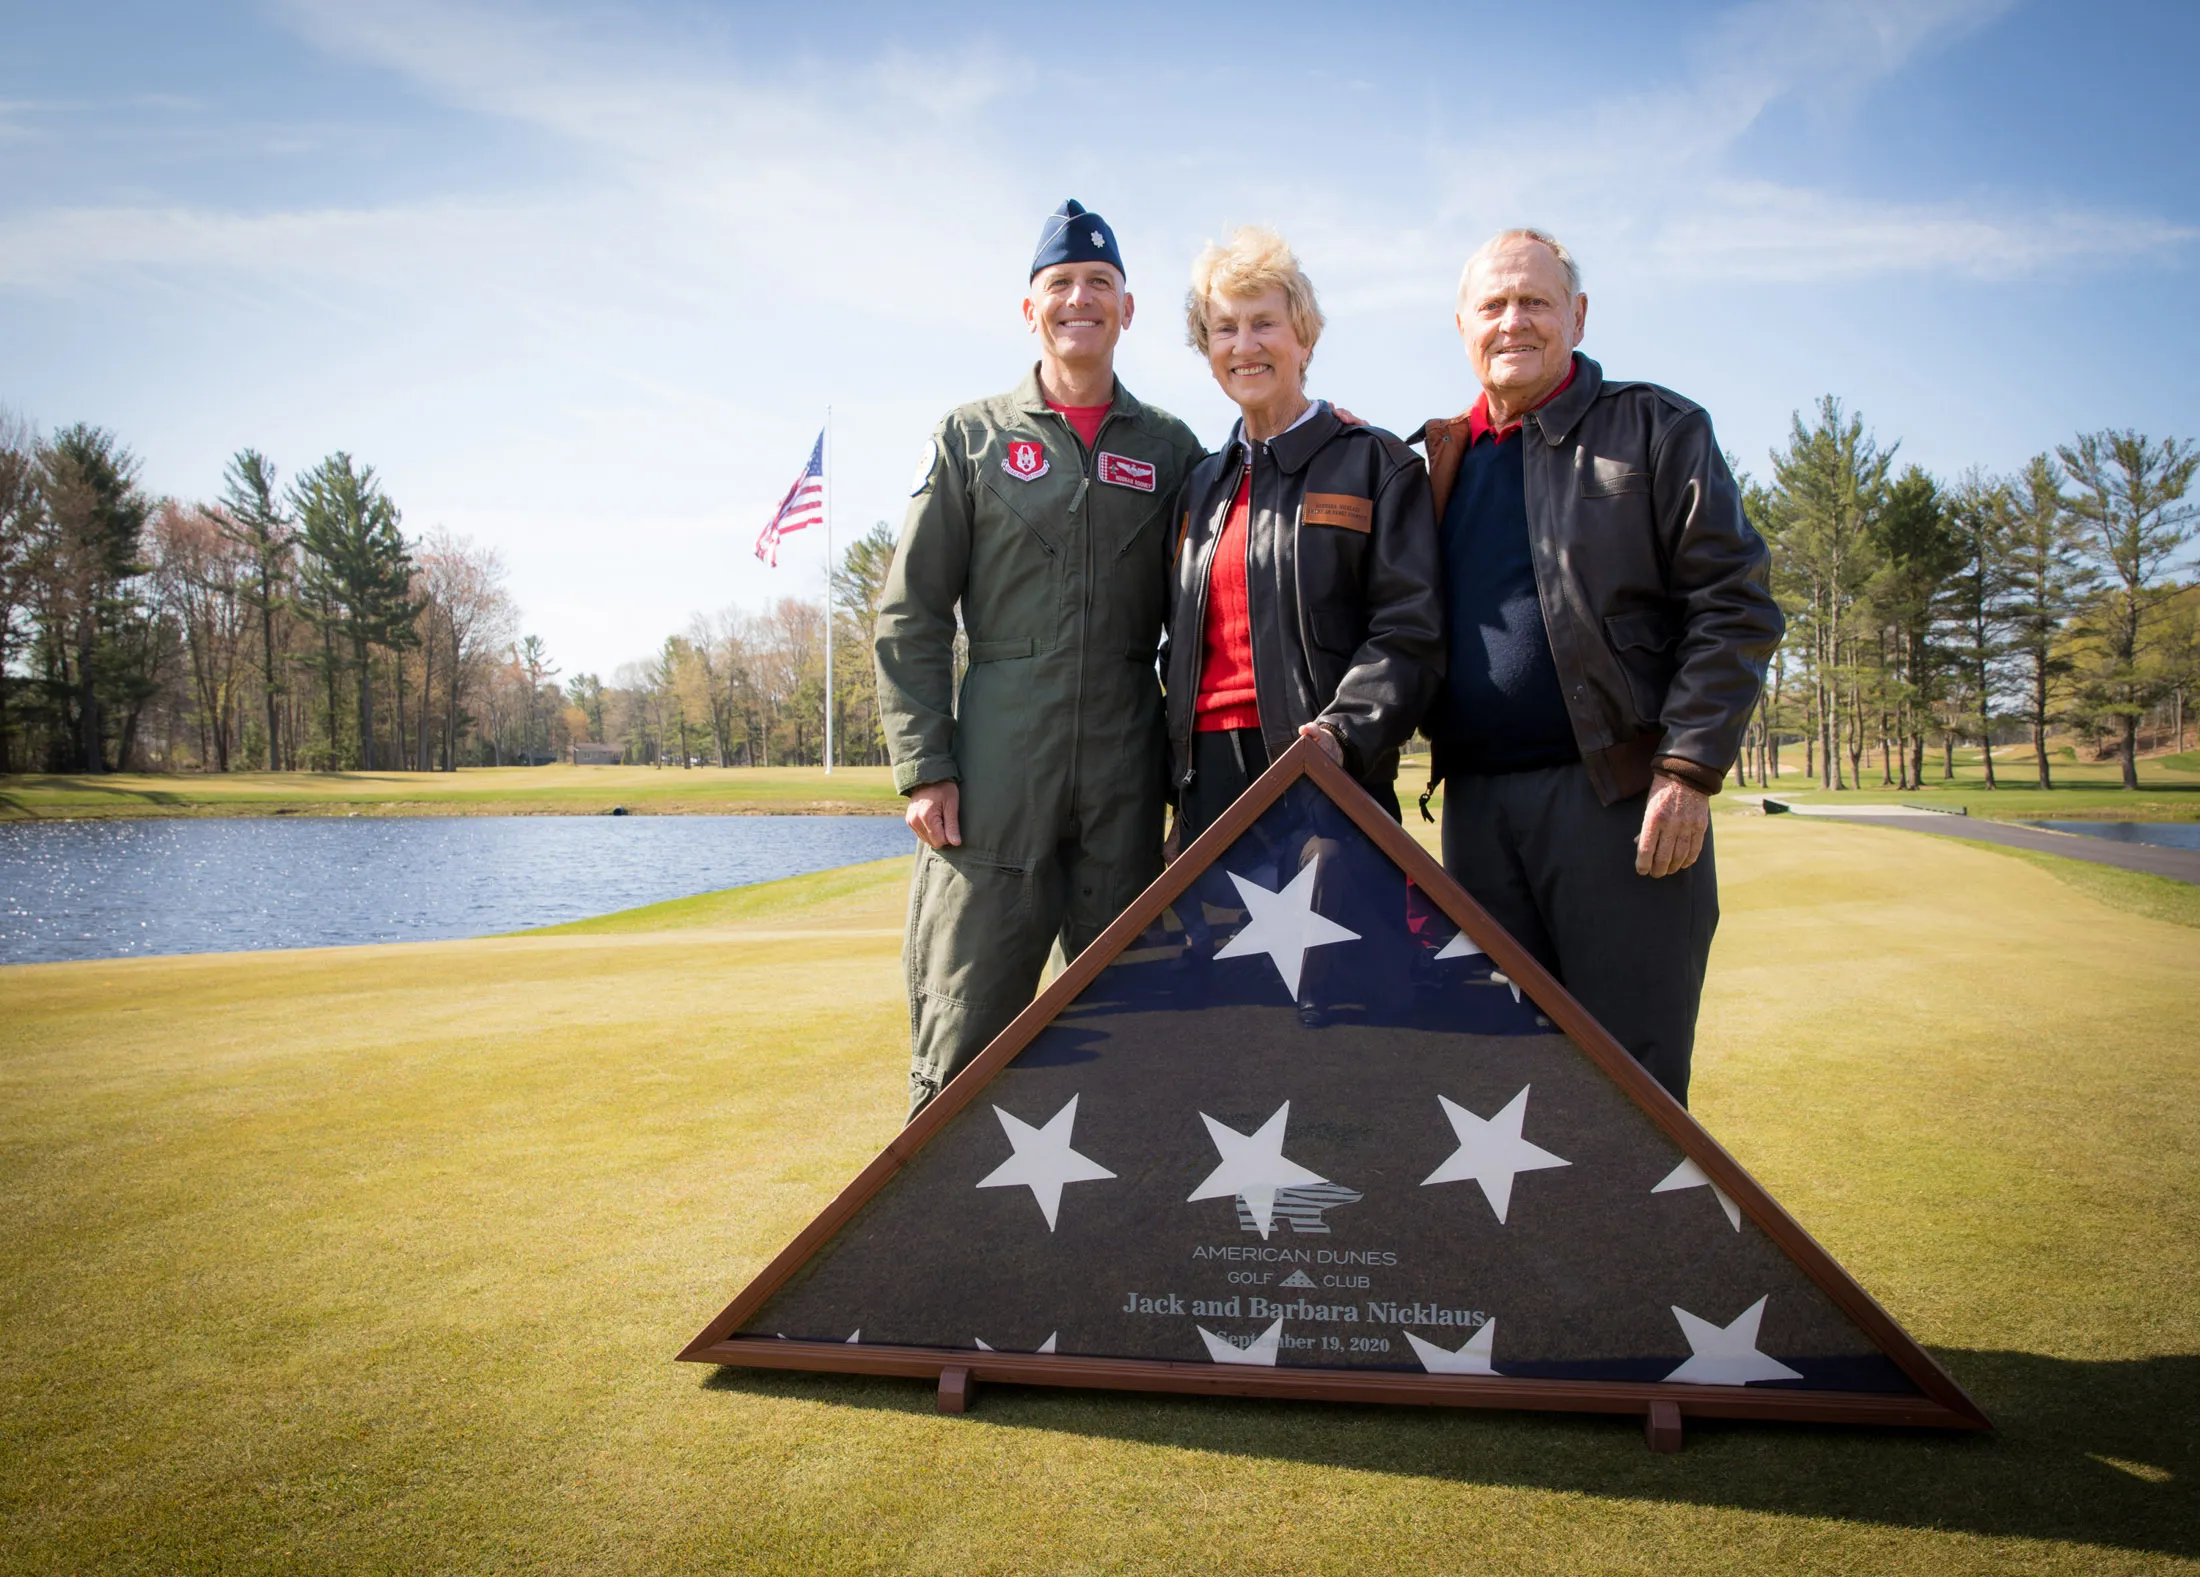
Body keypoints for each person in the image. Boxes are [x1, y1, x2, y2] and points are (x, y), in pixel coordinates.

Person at [1413, 228, 1783, 1105]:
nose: (1515, 321)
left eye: (1536, 301)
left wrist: (1689, 768)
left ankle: (1650, 1251)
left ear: (1577, 316)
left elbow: (1733, 604)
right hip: (1473, 814)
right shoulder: (1427, 461)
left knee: (1632, 1089)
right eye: (1493, 305)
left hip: (1621, 808)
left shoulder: (1655, 428)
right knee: (1500, 1099)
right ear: (1462, 325)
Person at [875, 199, 1206, 1119]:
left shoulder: (1173, 450)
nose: (1079, 300)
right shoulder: (971, 438)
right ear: (1030, 310)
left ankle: (1122, 1250)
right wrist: (925, 766)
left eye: (1099, 284)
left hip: (1124, 781)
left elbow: (1212, 612)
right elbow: (910, 614)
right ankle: (939, 1242)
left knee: (1129, 1036)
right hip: (990, 782)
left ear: (1128, 310)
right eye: (1059, 285)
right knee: (962, 1027)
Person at [1163, 226, 1442, 841]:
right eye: (1223, 328)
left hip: (1326, 770)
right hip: (1204, 787)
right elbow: (1176, 646)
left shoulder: (1377, 465)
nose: (1244, 345)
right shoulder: (1199, 486)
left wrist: (1343, 734)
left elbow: (1409, 631)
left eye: (1264, 323)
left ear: (1304, 338)